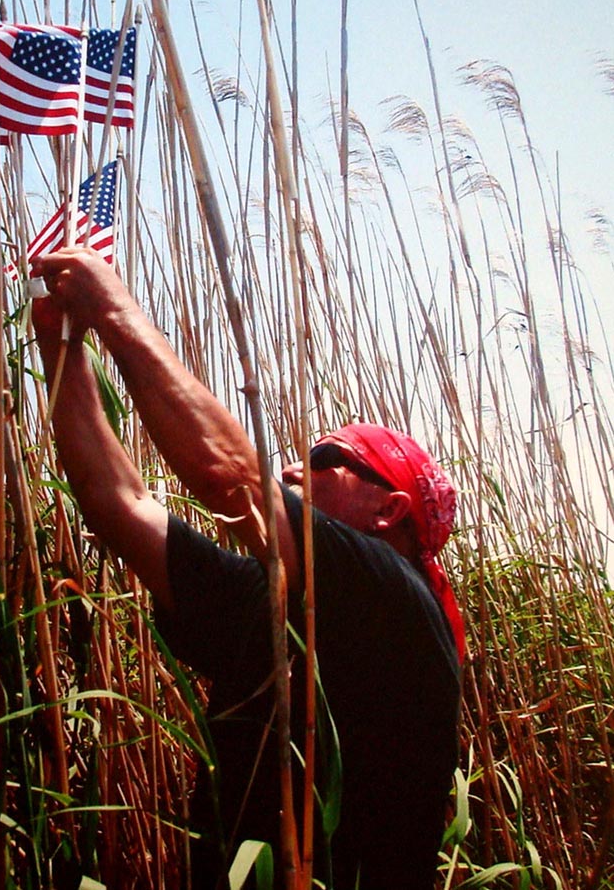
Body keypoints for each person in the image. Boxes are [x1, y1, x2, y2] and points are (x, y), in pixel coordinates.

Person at [31, 246, 463, 890]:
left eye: (326, 458)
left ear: (389, 508)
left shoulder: (398, 603)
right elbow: (116, 502)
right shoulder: (266, 601)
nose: (295, 466)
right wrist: (61, 348)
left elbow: (232, 481)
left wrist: (115, 310)